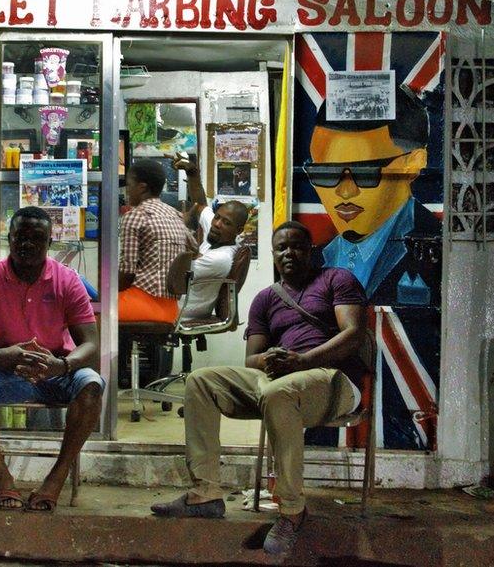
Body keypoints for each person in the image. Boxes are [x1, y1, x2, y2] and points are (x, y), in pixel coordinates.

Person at [151, 221, 368, 556]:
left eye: (296, 246)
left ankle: (292, 511)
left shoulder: (336, 280)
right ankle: (206, 493)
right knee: (201, 381)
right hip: (280, 378)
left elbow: (352, 334)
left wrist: (302, 360)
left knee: (277, 394)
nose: (289, 253)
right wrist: (273, 358)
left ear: (310, 250)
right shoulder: (266, 299)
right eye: (281, 248)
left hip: (332, 379)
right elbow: (251, 358)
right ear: (273, 254)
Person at [0, 206, 104, 512]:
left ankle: (57, 476)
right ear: (9, 239)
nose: (27, 244)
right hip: (5, 372)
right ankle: (1, 473)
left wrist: (61, 365)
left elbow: (90, 343)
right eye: (20, 237)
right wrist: (4, 355)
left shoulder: (67, 280)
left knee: (92, 383)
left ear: (49, 242)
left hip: (55, 370)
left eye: (36, 238)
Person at [303, 85, 439, 306]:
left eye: (365, 172)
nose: (345, 191)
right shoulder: (314, 258)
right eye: (325, 173)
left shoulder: (441, 248)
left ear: (413, 163)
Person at [172, 154, 249, 320]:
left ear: (239, 230)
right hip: (175, 304)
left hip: (183, 313)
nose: (217, 224)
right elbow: (201, 205)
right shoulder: (216, 233)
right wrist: (192, 173)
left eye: (226, 223)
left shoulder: (222, 258)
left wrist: (180, 230)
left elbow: (173, 276)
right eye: (217, 217)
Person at [118, 158, 193, 324]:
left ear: (142, 187)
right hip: (171, 309)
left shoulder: (136, 215)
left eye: (129, 185)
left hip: (142, 304)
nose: (127, 191)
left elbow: (127, 273)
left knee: (88, 314)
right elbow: (193, 251)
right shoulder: (176, 215)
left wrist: (105, 293)